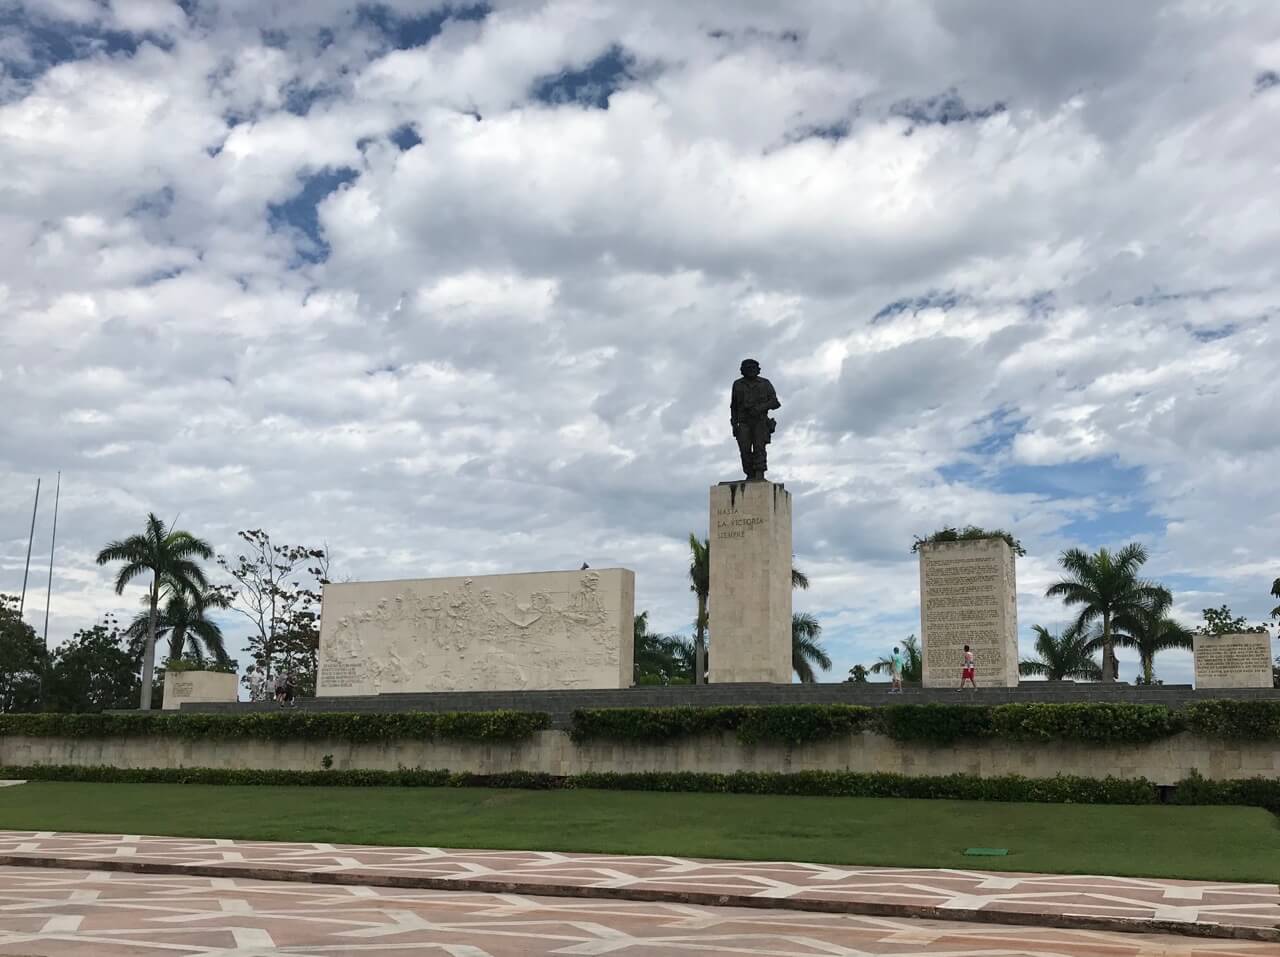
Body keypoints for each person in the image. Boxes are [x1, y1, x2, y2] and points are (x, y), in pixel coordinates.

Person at [730, 359, 781, 480]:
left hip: (760, 421)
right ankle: (749, 473)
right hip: (743, 422)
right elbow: (734, 406)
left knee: (759, 447)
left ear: (758, 370)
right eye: (748, 368)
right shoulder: (737, 384)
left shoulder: (765, 383)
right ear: (742, 371)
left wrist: (760, 408)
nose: (751, 370)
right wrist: (734, 424)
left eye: (753, 367)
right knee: (744, 449)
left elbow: (775, 402)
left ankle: (759, 473)